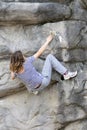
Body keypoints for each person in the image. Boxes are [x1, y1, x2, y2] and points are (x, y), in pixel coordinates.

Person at [10, 34, 77, 94]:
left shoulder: (15, 71)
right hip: (43, 83)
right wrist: (47, 41)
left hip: (34, 88)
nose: (24, 56)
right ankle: (66, 74)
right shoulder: (27, 62)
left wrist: (12, 68)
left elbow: (12, 77)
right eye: (23, 56)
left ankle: (34, 91)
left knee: (25, 80)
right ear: (21, 59)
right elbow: (39, 52)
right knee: (50, 57)